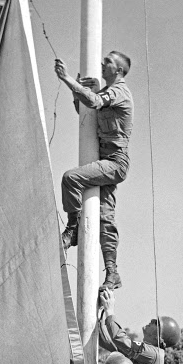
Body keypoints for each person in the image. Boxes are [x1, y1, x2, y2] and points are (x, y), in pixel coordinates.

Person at [54, 51, 134, 290]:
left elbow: (95, 102)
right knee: (106, 219)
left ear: (117, 70)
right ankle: (112, 272)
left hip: (115, 162)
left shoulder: (119, 91)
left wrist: (68, 79)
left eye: (107, 62)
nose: (102, 64)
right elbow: (87, 112)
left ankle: (73, 228)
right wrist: (75, 89)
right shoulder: (107, 92)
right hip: (105, 163)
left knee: (71, 178)